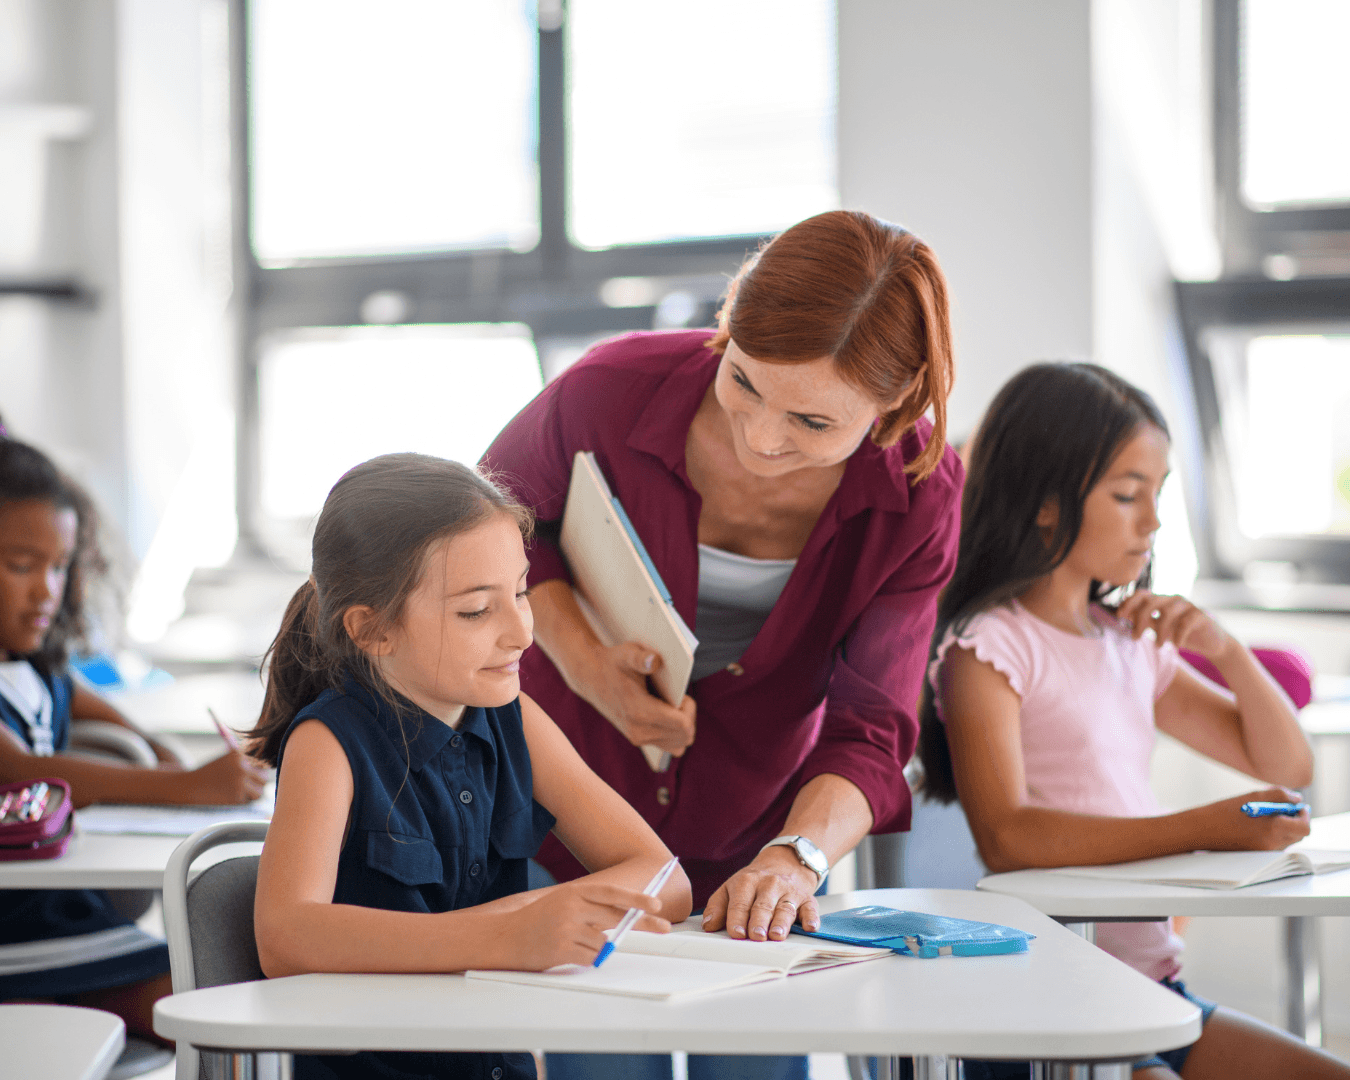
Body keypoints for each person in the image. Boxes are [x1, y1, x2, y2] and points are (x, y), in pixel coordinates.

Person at [483, 209, 962, 1080]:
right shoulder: (605, 392)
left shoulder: (921, 494)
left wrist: (798, 858)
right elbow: (487, 539)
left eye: (812, 422)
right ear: (729, 321)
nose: (762, 438)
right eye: (743, 380)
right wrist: (586, 666)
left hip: (760, 842)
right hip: (571, 823)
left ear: (895, 404)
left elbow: (871, 729)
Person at [918, 363, 1349, 1080]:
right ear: (1045, 504)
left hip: (1152, 993)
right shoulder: (987, 648)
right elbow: (1007, 837)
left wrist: (1227, 650)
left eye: (1159, 494)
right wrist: (1206, 828)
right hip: (1051, 1003)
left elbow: (1286, 764)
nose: (1152, 521)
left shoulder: (1126, 643)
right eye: (1127, 495)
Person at [247, 453, 692, 1080]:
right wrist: (510, 934)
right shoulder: (329, 742)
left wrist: (542, 920)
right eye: (477, 611)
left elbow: (667, 882)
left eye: (521, 593)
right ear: (372, 630)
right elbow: (286, 937)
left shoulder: (515, 718)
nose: (522, 633)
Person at [0, 423, 267, 1041]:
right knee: (217, 1003)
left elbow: (129, 729)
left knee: (233, 977)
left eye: (60, 566)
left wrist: (170, 758)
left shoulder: (39, 673)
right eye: (20, 565)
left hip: (57, 912)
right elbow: (23, 773)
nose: (46, 589)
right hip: (17, 933)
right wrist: (189, 787)